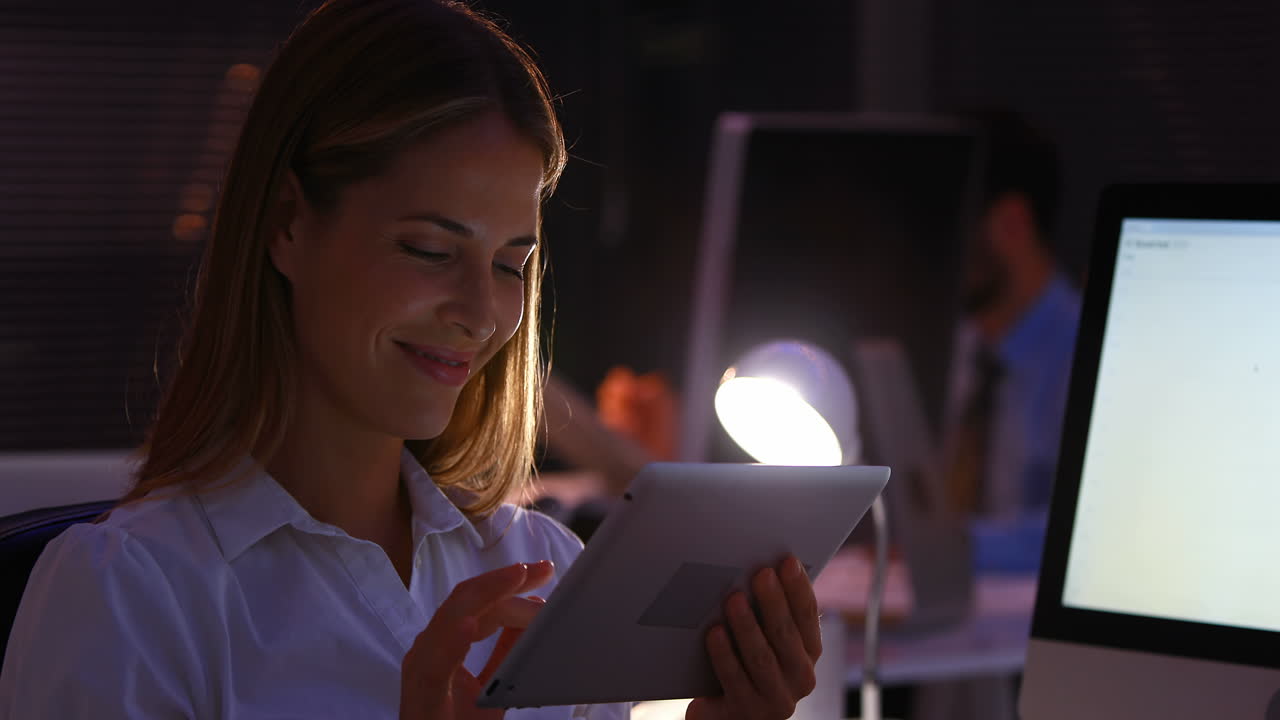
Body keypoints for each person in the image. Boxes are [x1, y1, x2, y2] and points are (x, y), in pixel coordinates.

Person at [0, 2, 823, 718]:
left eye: (511, 264)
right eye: (430, 250)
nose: (480, 314)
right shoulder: (133, 597)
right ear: (287, 224)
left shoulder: (544, 571)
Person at [943, 109, 1082, 570]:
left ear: (1011, 224)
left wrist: (949, 547)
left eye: (946, 224)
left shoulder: (1093, 356)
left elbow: (1084, 537)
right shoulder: (957, 352)